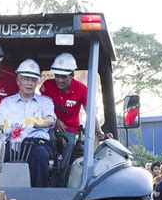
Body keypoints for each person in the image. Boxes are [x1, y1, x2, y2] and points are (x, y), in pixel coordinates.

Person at [40, 52, 111, 186]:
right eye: (57, 76)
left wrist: (99, 133)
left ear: (72, 75)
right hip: (48, 127)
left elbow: (91, 113)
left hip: (69, 131)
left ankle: (59, 187)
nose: (59, 80)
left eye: (64, 77)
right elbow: (39, 107)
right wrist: (54, 120)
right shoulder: (47, 86)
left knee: (62, 164)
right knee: (41, 154)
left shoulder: (82, 90)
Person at [0, 59, 56, 187]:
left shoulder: (45, 102)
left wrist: (39, 123)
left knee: (40, 154)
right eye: (26, 79)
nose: (30, 83)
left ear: (37, 82)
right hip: (12, 144)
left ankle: (38, 195)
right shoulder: (6, 102)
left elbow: (51, 119)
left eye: (33, 80)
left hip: (36, 145)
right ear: (18, 80)